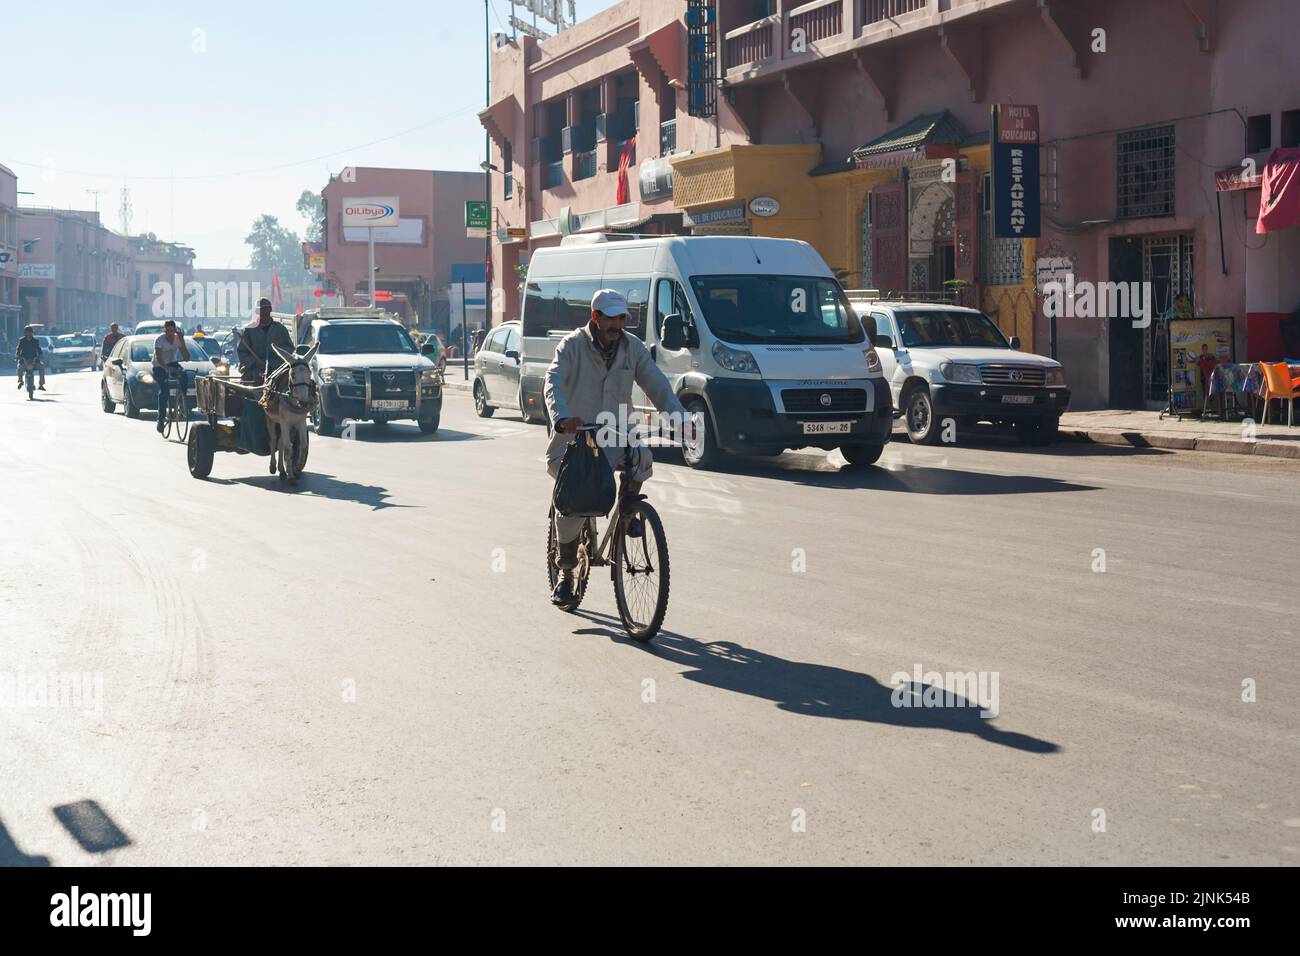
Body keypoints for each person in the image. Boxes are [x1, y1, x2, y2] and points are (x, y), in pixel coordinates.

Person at [544, 289, 689, 606]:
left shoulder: (632, 348)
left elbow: (658, 386)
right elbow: (552, 381)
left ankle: (628, 508)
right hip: (576, 437)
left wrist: (681, 420)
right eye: (610, 318)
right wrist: (563, 417)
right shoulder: (571, 346)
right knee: (575, 501)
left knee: (642, 458)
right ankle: (566, 574)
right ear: (595, 317)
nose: (616, 324)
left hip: (616, 432)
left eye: (621, 318)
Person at [237, 298, 293, 385]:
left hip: (277, 370)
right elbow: (242, 352)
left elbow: (290, 349)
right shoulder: (249, 330)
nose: (264, 312)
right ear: (256, 312)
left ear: (270, 310)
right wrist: (254, 363)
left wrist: (277, 353)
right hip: (254, 372)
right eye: (261, 310)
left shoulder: (280, 329)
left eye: (266, 309)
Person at [152, 320, 191, 432]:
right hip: (159, 365)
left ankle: (181, 400)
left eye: (172, 331)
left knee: (184, 375)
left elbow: (187, 358)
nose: (169, 333)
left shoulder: (178, 339)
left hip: (172, 363)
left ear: (175, 331)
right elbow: (159, 358)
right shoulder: (159, 340)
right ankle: (161, 419)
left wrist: (182, 341)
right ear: (165, 330)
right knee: (164, 391)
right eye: (167, 331)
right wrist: (166, 368)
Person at [15, 326, 45, 394]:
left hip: (34, 360)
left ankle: (41, 384)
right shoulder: (22, 340)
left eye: (30, 332)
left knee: (42, 367)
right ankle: (21, 381)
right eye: (27, 332)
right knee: (19, 367)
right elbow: (18, 349)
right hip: (24, 359)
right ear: (25, 333)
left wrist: (40, 356)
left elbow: (39, 349)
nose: (29, 333)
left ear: (32, 333)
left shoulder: (35, 341)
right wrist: (17, 355)